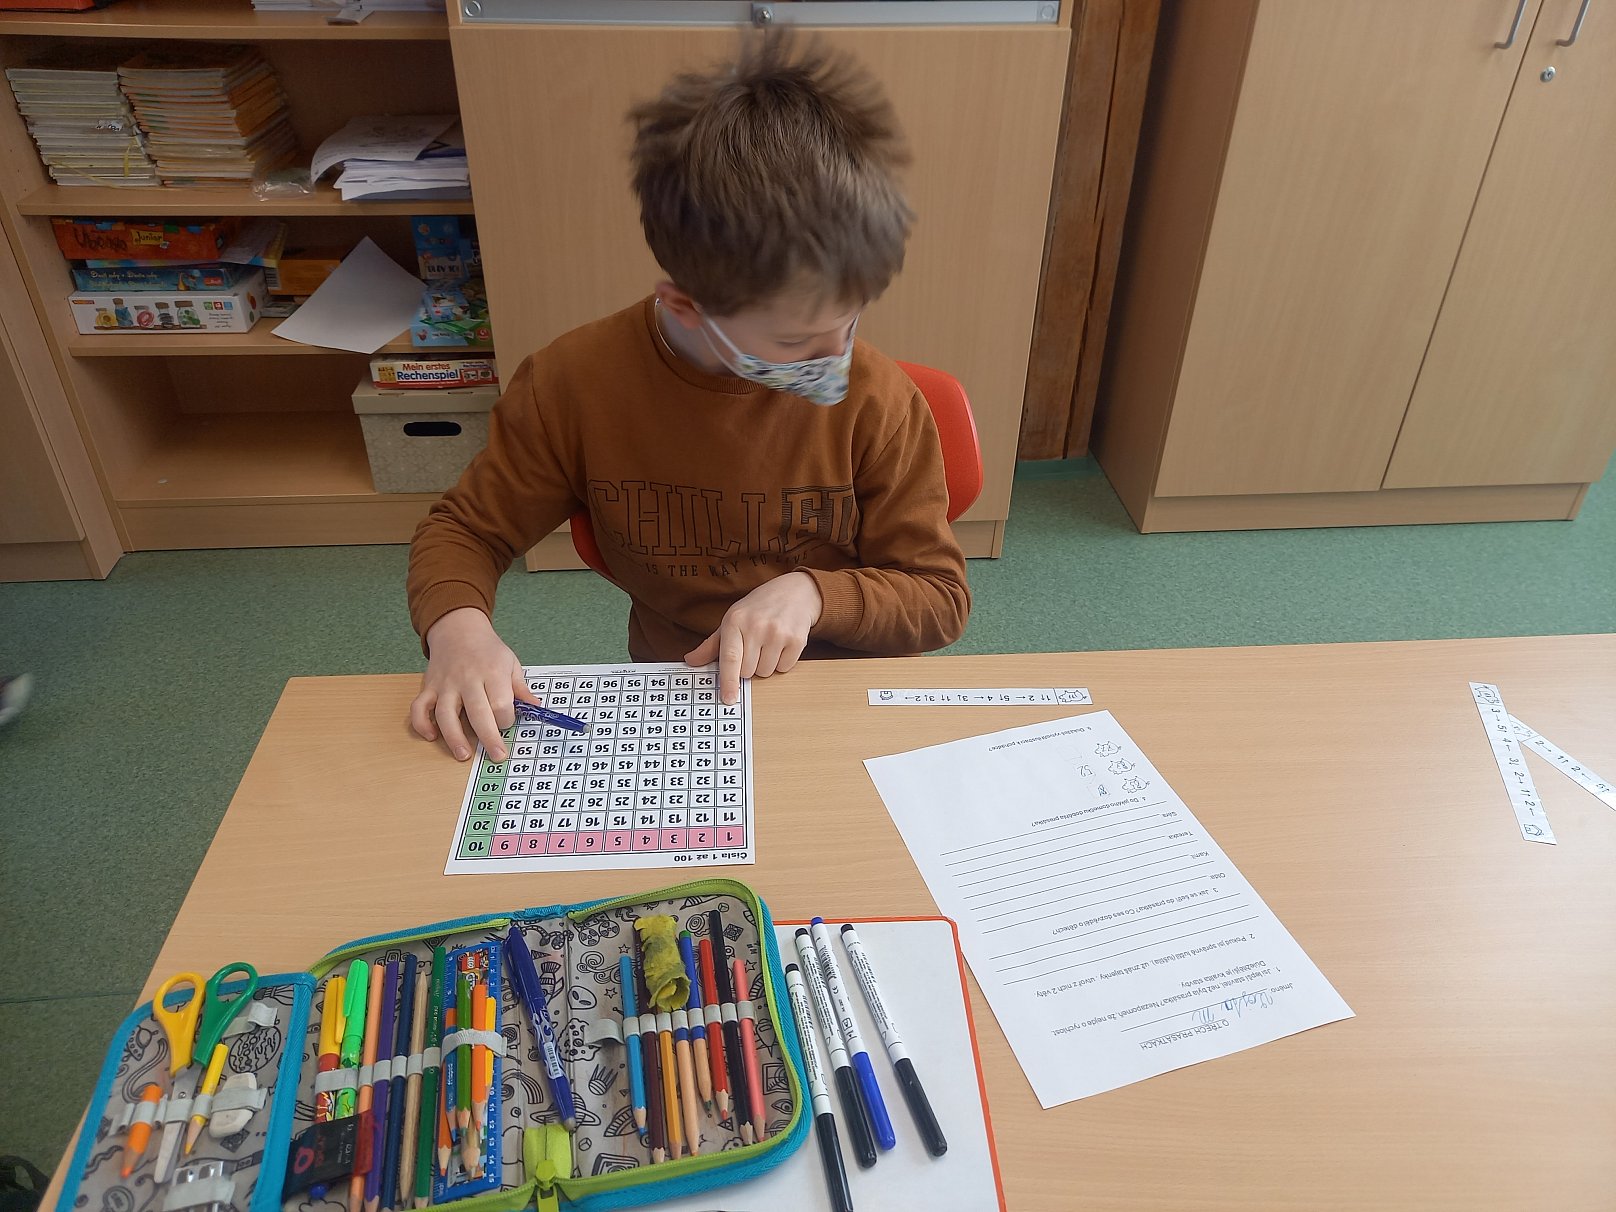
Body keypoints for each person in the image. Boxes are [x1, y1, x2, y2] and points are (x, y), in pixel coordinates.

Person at [407, 32, 970, 763]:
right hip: (687, 697)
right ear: (685, 308)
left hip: (851, 687)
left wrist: (815, 593)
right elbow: (465, 530)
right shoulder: (574, 384)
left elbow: (938, 597)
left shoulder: (878, 400)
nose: (835, 364)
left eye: (850, 321)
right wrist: (458, 632)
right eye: (795, 343)